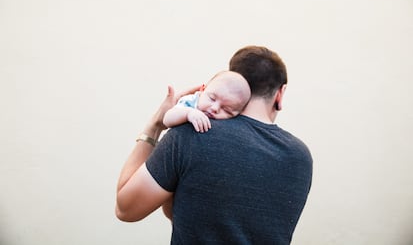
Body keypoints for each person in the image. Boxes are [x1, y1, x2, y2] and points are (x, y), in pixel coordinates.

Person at [116, 45, 313, 244]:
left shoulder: (192, 134)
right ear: (280, 93)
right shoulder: (300, 157)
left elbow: (125, 209)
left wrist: (156, 125)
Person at [163, 70, 251, 133]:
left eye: (226, 110)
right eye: (212, 98)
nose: (215, 108)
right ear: (202, 90)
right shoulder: (191, 102)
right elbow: (167, 120)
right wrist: (188, 114)